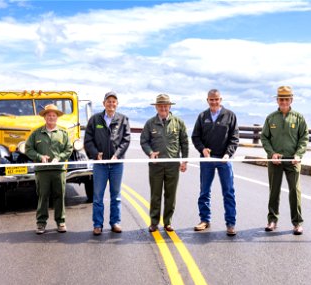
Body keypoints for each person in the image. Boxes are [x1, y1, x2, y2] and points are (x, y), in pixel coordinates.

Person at [260, 86, 308, 235]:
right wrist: (271, 153)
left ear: (291, 100)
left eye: (286, 99)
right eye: (281, 99)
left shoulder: (299, 118)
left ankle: (297, 223)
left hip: (293, 161)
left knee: (295, 191)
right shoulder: (271, 118)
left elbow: (304, 138)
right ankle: (272, 220)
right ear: (277, 100)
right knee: (274, 191)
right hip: (275, 161)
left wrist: (298, 154)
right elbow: (264, 137)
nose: (284, 102)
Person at [191, 89, 239, 236]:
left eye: (216, 99)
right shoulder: (202, 116)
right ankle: (204, 220)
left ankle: (230, 223)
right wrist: (202, 149)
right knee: (204, 191)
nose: (214, 102)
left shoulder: (230, 115)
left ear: (221, 99)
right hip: (207, 160)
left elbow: (234, 138)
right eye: (211, 100)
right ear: (207, 100)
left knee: (228, 192)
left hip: (224, 160)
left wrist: (228, 154)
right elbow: (195, 136)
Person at [84, 91, 131, 236]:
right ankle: (97, 224)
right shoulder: (95, 119)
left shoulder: (123, 119)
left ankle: (115, 222)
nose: (111, 104)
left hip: (117, 164)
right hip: (100, 165)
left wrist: (118, 155)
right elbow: (88, 140)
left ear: (117, 104)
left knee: (115, 195)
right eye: (109, 101)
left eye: (114, 101)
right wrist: (95, 154)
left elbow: (126, 139)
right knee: (98, 196)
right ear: (104, 103)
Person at [140, 94, 189, 232]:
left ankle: (167, 222)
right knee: (155, 195)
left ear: (170, 106)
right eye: (160, 105)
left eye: (165, 105)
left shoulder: (178, 122)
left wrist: (184, 160)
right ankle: (154, 222)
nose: (163, 108)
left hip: (173, 166)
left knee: (170, 195)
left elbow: (184, 142)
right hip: (156, 166)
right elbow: (144, 141)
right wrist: (150, 152)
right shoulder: (150, 123)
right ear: (156, 107)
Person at [25, 104, 73, 234]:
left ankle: (61, 222)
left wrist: (60, 157)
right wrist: (39, 156)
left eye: (53, 115)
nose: (51, 117)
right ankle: (41, 223)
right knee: (43, 196)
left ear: (57, 118)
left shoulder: (63, 133)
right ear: (44, 117)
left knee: (59, 196)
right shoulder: (36, 134)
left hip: (59, 170)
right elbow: (28, 149)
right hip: (42, 171)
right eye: (49, 115)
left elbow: (69, 149)